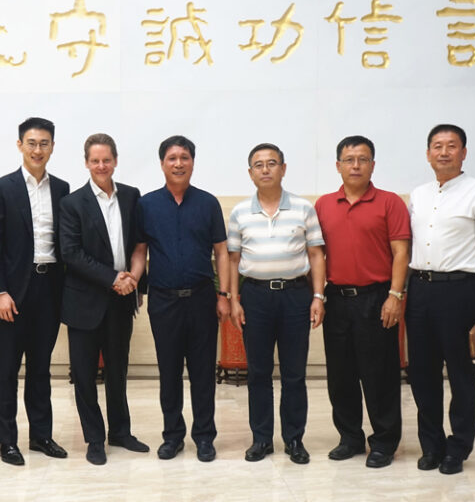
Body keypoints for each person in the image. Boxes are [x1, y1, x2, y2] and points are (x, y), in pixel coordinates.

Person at [406, 124, 475, 475]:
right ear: (428, 153)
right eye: (437, 146)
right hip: (420, 289)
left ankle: (458, 447)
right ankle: (432, 445)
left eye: (451, 146)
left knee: (461, 371)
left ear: (464, 153)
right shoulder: (418, 194)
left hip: (460, 291)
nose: (444, 152)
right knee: (422, 373)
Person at [133, 135, 230, 463]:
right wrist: (134, 282)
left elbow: (221, 252)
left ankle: (204, 437)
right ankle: (172, 436)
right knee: (169, 371)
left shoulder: (208, 203)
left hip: (202, 298)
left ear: (192, 162)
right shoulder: (146, 205)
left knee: (203, 372)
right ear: (162, 163)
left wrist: (224, 295)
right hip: (164, 301)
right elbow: (140, 252)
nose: (178, 163)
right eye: (172, 158)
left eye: (184, 158)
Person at [314, 135, 410, 469]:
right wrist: (318, 296)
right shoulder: (324, 205)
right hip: (337, 299)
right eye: (349, 159)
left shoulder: (389, 203)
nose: (355, 165)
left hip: (377, 298)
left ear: (372, 164)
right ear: (338, 165)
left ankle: (384, 441)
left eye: (363, 159)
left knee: (380, 374)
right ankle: (350, 437)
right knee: (340, 375)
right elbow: (317, 255)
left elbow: (401, 252)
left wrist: (395, 296)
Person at [227, 143, 325, 465]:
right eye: (259, 164)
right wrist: (234, 300)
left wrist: (318, 296)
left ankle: (294, 439)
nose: (265, 169)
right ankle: (261, 439)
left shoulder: (303, 208)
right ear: (250, 172)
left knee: (294, 372)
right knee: (258, 372)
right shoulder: (240, 212)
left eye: (272, 163)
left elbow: (315, 254)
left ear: (283, 169)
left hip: (295, 295)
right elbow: (233, 259)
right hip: (255, 296)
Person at [0, 117, 70, 466]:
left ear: (52, 147)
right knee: (6, 369)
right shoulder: (0, 188)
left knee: (40, 368)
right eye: (31, 143)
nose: (38, 149)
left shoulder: (62, 189)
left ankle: (41, 436)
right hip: (13, 292)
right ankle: (7, 441)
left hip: (50, 288)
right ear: (20, 145)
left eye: (44, 143)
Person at [59, 133, 149, 465]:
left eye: (106, 160)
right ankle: (94, 438)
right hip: (84, 302)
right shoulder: (71, 203)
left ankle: (121, 432)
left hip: (122, 300)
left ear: (115, 161)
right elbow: (72, 253)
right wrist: (113, 279)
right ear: (86, 163)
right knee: (84, 375)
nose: (101, 166)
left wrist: (133, 280)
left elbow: (139, 243)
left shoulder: (131, 196)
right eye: (95, 160)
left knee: (118, 370)